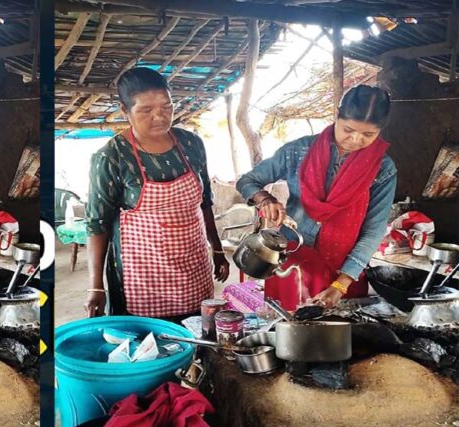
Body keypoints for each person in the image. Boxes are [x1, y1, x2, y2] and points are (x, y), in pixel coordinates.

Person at [84, 67, 230, 322]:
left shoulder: (191, 144)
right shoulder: (112, 156)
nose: (159, 117)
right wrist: (96, 285)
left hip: (193, 262)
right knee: (147, 343)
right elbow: (98, 224)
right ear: (124, 110)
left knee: (197, 333)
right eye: (146, 110)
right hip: (142, 274)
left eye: (166, 106)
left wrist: (217, 249)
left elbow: (205, 201)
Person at [236, 85, 397, 311]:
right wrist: (265, 199)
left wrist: (340, 285)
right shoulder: (298, 151)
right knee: (286, 331)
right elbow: (247, 181)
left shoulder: (383, 169)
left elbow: (374, 230)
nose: (356, 139)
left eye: (368, 134)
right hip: (292, 264)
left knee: (338, 337)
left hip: (344, 270)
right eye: (348, 129)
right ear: (337, 117)